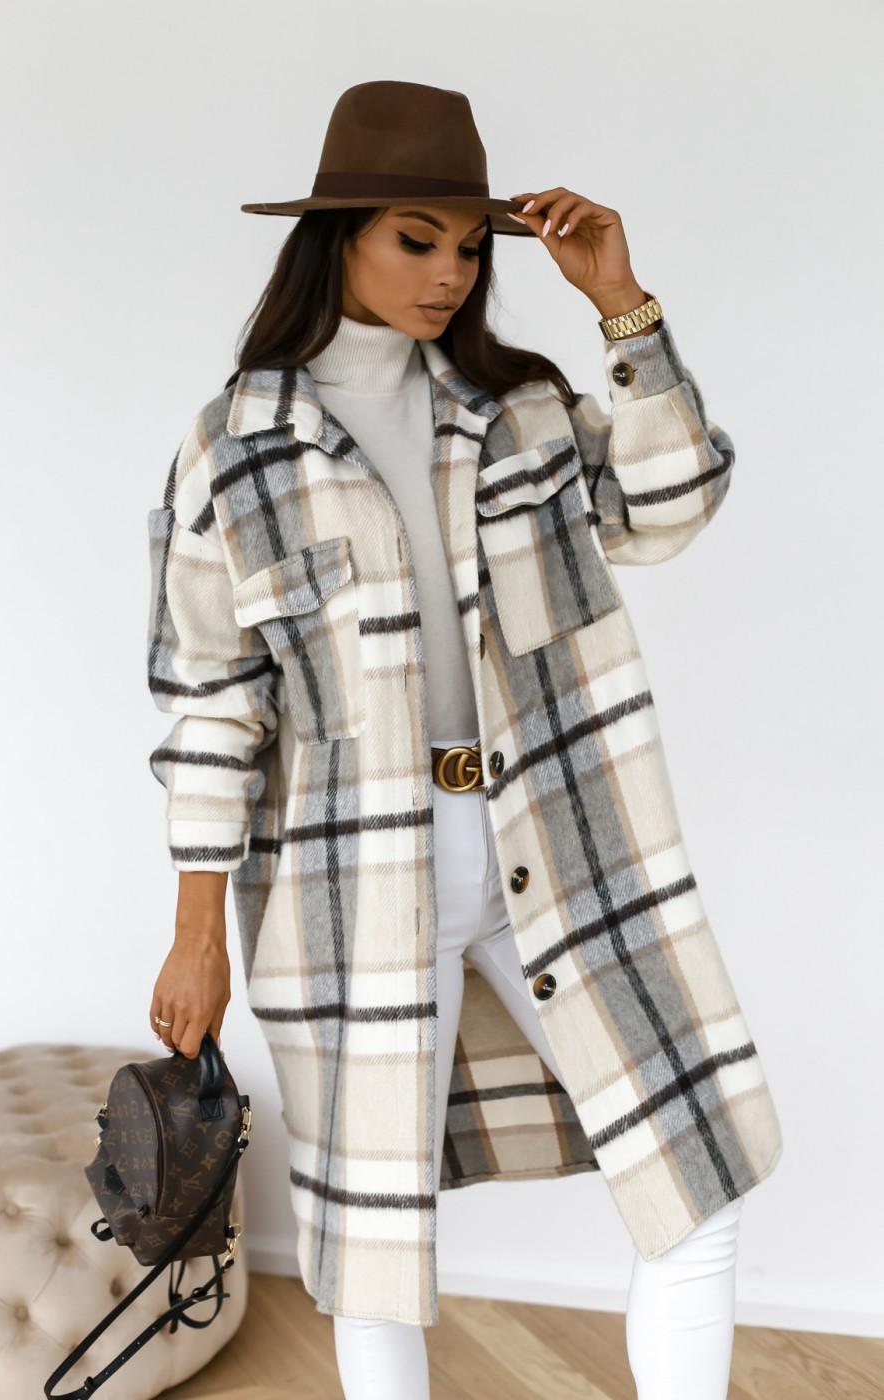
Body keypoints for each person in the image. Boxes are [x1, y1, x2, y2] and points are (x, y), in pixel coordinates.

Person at [145, 81, 782, 1400]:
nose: (451, 274)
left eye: (472, 246)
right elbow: (212, 701)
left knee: (696, 1180)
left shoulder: (519, 408)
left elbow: (673, 501)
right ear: (338, 239)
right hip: (350, 888)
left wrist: (621, 303)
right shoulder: (234, 450)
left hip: (557, 848)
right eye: (416, 239)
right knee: (371, 1254)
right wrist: (197, 930)